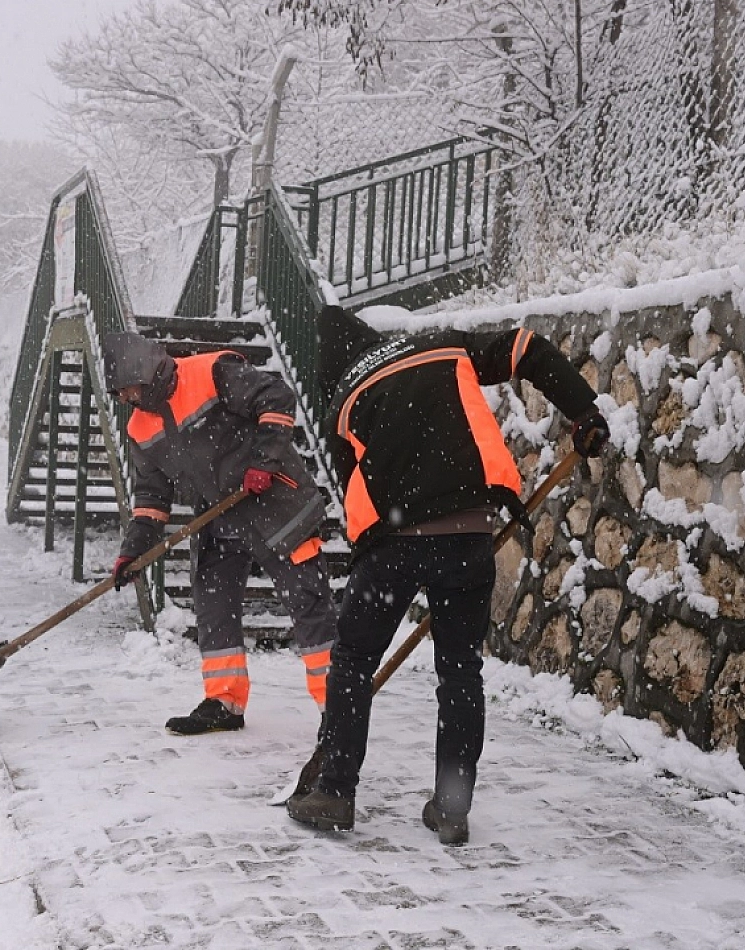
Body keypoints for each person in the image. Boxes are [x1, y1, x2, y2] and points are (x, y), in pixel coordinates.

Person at [287, 305, 609, 845]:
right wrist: (585, 411)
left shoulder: (343, 400)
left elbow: (353, 495)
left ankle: (336, 790)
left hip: (392, 544)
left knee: (353, 662)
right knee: (459, 672)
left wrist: (371, 562)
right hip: (468, 529)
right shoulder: (441, 346)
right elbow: (525, 346)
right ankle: (452, 807)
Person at [101, 331, 338, 736]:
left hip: (276, 504)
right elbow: (150, 496)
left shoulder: (212, 372)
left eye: (126, 390)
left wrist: (265, 460)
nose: (125, 400)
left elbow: (276, 397)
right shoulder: (140, 428)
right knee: (213, 604)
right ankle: (224, 701)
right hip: (219, 517)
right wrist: (133, 552)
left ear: (143, 371)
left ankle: (338, 704)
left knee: (307, 601)